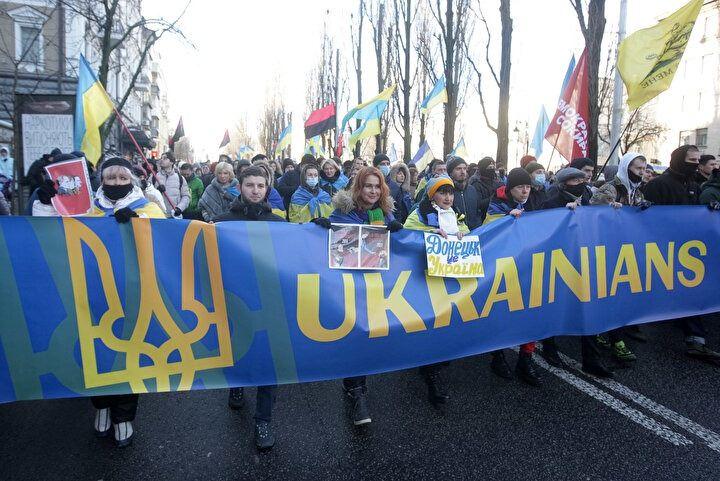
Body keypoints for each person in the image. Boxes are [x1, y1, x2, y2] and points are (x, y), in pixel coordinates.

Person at [33, 156, 164, 447]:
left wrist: (138, 225)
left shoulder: (149, 208)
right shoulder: (85, 207)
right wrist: (45, 204)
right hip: (91, 294)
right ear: (101, 180)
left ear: (132, 179)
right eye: (110, 178)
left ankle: (124, 416)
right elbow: (49, 235)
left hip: (133, 295)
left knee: (130, 354)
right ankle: (102, 406)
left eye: (122, 178)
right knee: (96, 352)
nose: (116, 183)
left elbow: (166, 243)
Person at [314, 166, 403, 426]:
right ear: (358, 188)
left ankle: (354, 384)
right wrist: (321, 230)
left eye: (377, 186)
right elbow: (328, 245)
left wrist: (399, 232)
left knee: (366, 336)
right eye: (368, 186)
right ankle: (357, 393)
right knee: (355, 335)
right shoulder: (343, 212)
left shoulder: (382, 213)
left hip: (374, 287)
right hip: (348, 286)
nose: (373, 191)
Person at [213, 166, 285, 450]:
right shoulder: (222, 222)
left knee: (270, 362)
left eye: (260, 185)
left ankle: (263, 420)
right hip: (235, 301)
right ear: (239, 186)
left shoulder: (279, 223)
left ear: (267, 189)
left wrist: (317, 228)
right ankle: (237, 384)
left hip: (270, 302)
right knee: (238, 348)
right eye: (249, 185)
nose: (255, 190)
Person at [643, 145, 720, 362]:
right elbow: (645, 220)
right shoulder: (659, 184)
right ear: (679, 160)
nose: (696, 164)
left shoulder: (693, 185)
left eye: (698, 160)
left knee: (689, 292)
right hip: (663, 250)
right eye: (692, 160)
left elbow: (696, 213)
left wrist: (710, 210)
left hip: (686, 251)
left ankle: (696, 340)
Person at [541, 167, 614, 377]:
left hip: (585, 261)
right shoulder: (552, 200)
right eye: (575, 180)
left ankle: (591, 359)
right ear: (565, 184)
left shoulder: (590, 197)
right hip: (561, 261)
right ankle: (549, 345)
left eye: (583, 179)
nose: (582, 182)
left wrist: (612, 210)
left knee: (588, 308)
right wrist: (563, 214)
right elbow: (543, 228)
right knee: (555, 305)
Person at [403, 175, 467, 404]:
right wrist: (429, 235)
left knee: (444, 320)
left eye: (450, 193)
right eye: (443, 193)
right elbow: (407, 235)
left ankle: (433, 362)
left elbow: (467, 233)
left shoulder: (456, 214)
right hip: (426, 278)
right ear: (432, 196)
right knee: (430, 322)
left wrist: (462, 235)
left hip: (449, 279)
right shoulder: (419, 214)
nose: (448, 197)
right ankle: (431, 375)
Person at [480, 168, 543, 385]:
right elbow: (489, 230)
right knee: (502, 314)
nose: (525, 191)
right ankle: (497, 357)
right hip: (504, 268)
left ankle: (526, 360)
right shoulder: (497, 204)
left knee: (532, 314)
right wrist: (507, 219)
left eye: (527, 187)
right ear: (510, 189)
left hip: (529, 266)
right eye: (520, 187)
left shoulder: (533, 202)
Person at [590, 152, 651, 363]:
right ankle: (615, 339)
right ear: (626, 168)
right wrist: (611, 212)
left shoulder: (638, 192)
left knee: (621, 294)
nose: (641, 173)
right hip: (606, 252)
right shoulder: (610, 189)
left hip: (627, 251)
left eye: (644, 169)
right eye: (637, 169)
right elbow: (592, 219)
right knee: (608, 294)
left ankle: (609, 331)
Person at [445, 156, 485, 230]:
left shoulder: (472, 189)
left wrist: (478, 228)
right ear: (450, 172)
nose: (462, 172)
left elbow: (477, 212)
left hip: (473, 235)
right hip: (455, 235)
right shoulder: (446, 191)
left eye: (464, 168)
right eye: (458, 169)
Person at [373, 153, 411, 223]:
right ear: (375, 166)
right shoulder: (369, 182)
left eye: (388, 164)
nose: (386, 166)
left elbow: (398, 211)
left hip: (389, 223)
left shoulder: (395, 187)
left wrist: (395, 224)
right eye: (382, 164)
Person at [154, 152, 191, 218]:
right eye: (161, 158)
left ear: (171, 162)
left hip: (173, 216)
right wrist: (157, 191)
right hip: (157, 215)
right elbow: (147, 195)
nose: (161, 160)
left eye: (165, 158)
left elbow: (186, 196)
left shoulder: (180, 178)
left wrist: (179, 208)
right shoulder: (154, 177)